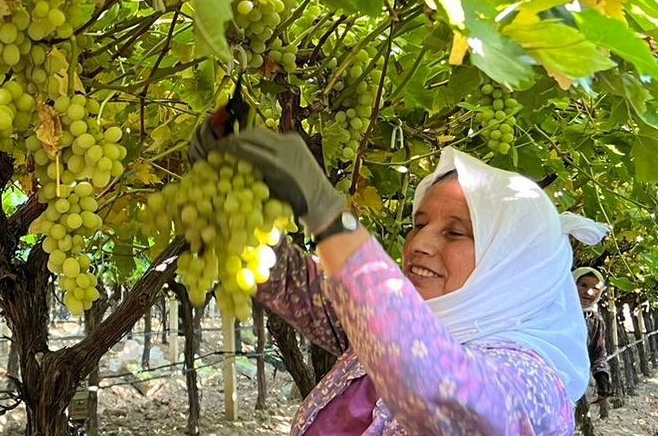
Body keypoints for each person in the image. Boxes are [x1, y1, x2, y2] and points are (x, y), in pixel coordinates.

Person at [190, 127, 610, 435]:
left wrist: (326, 211)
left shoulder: (535, 386)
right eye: (419, 223)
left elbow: (437, 388)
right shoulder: (394, 327)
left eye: (456, 232)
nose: (419, 244)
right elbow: (301, 287)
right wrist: (228, 213)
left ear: (512, 263)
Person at [572, 267, 612, 402]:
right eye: (583, 285)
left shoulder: (594, 320)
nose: (588, 292)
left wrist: (602, 376)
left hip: (576, 383)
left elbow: (598, 352)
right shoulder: (553, 312)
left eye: (595, 288)